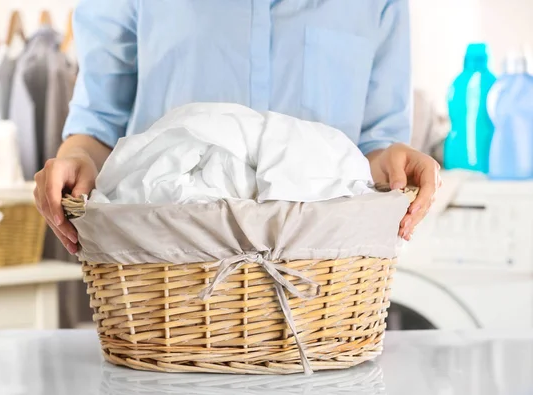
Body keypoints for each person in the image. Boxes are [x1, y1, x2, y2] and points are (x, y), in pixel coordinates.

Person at [34, 0, 440, 255]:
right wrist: (75, 160)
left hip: (319, 280)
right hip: (167, 275)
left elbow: (371, 153)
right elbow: (98, 128)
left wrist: (393, 160)